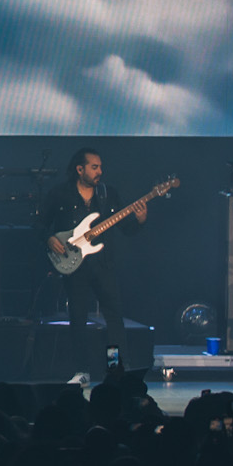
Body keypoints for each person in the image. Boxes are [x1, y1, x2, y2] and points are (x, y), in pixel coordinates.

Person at [35, 147, 146, 349]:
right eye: (94, 167)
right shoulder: (59, 194)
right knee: (78, 320)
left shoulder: (107, 194)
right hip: (74, 266)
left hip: (103, 265)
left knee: (114, 319)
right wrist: (49, 238)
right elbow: (39, 224)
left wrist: (139, 221)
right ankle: (81, 370)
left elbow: (126, 229)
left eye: (100, 167)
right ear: (80, 169)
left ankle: (116, 367)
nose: (99, 172)